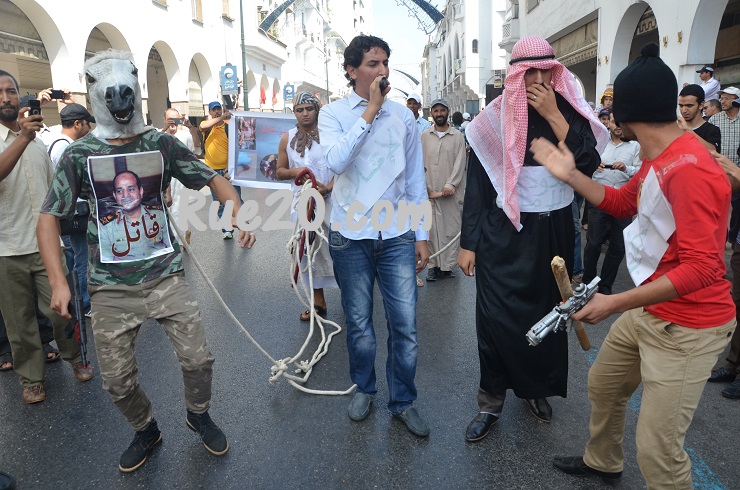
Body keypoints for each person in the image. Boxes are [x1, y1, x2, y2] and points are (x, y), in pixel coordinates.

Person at [36, 50, 255, 473]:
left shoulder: (161, 144)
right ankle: (145, 428)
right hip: (109, 287)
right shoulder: (79, 155)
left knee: (198, 359)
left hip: (165, 277)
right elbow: (49, 217)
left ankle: (198, 413)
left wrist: (238, 212)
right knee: (117, 382)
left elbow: (212, 177)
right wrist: (59, 281)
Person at [531, 43, 736, 489]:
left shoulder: (689, 168)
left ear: (625, 115)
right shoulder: (659, 154)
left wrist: (614, 303)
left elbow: (704, 268)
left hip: (688, 327)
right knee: (604, 386)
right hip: (651, 307)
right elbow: (625, 201)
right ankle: (603, 461)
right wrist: (569, 175)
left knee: (659, 450)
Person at [458, 36, 607, 442]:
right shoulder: (491, 119)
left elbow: (589, 162)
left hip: (553, 231)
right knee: (494, 318)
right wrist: (468, 242)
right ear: (515, 74)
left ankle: (535, 389)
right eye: (530, 71)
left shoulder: (569, 109)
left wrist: (555, 115)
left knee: (548, 313)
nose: (538, 79)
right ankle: (490, 402)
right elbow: (478, 187)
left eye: (545, 70)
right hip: (502, 234)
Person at [319, 34, 431, 437]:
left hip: (398, 232)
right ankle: (363, 387)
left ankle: (403, 401)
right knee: (360, 323)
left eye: (385, 63)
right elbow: (334, 162)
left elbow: (414, 178)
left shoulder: (404, 118)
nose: (382, 71)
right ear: (351, 71)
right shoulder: (332, 115)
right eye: (372, 64)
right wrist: (369, 111)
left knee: (405, 325)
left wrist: (421, 233)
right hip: (350, 235)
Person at [0, 70, 93, 405]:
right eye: (0, 92)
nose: (6, 97)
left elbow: (56, 191)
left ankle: (76, 357)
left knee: (62, 310)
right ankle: (31, 378)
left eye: (11, 90)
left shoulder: (38, 141)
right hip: (6, 250)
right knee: (20, 321)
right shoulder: (27, 138)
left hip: (48, 246)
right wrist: (23, 138)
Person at [276, 92, 337, 320]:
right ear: (294, 113)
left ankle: (353, 299)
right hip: (302, 204)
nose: (304, 113)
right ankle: (318, 302)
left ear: (317, 110)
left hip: (333, 202)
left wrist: (328, 188)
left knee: (339, 249)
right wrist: (296, 172)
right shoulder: (286, 138)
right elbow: (280, 171)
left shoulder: (330, 135)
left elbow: (342, 169)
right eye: (299, 109)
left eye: (308, 109)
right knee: (308, 251)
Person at [582, 112, 641, 295]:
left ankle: (605, 287)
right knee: (593, 243)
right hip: (599, 197)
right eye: (615, 121)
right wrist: (594, 166)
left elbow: (640, 171)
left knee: (617, 246)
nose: (618, 126)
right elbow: (583, 166)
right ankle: (587, 284)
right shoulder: (598, 143)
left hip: (623, 199)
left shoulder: (635, 146)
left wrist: (626, 168)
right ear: (608, 122)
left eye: (622, 122)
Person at [46, 103, 95, 316]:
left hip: (63, 212)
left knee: (72, 256)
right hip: (75, 211)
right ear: (77, 124)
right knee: (81, 256)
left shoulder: (53, 142)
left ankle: (75, 298)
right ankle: (83, 301)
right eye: (86, 124)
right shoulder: (68, 148)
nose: (89, 129)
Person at [421, 98, 466, 281]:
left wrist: (450, 184)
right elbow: (419, 163)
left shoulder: (457, 136)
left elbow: (460, 162)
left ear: (448, 112)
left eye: (442, 110)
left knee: (450, 228)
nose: (439, 113)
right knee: (430, 230)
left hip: (451, 193)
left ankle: (447, 267)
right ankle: (432, 266)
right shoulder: (424, 136)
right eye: (436, 110)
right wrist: (425, 187)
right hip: (429, 191)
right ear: (431, 113)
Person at [98, 170, 171, 261]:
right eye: (120, 191)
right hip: (126, 273)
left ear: (140, 191)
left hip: (158, 270)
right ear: (115, 195)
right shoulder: (106, 227)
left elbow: (170, 250)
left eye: (131, 189)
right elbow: (107, 262)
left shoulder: (159, 215)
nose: (126, 195)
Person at [200, 100, 243, 239]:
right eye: (214, 110)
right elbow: (202, 127)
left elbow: (233, 150)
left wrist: (227, 169)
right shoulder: (205, 126)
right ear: (210, 112)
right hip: (212, 172)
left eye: (219, 109)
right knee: (219, 202)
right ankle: (227, 228)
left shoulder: (228, 127)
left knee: (235, 199)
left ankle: (242, 225)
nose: (217, 111)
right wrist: (222, 117)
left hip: (227, 171)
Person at [162, 107, 198, 245]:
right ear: (164, 120)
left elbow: (196, 147)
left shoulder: (185, 135)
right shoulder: (158, 134)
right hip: (163, 179)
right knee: (167, 209)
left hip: (180, 180)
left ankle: (178, 240)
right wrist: (164, 129)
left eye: (175, 119)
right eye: (169, 119)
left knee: (177, 208)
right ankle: (177, 235)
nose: (172, 122)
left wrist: (191, 128)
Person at [677, 84, 721, 152]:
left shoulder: (712, 130)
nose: (684, 110)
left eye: (689, 106)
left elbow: (713, 152)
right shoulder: (676, 129)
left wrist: (688, 131)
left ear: (701, 105)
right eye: (681, 106)